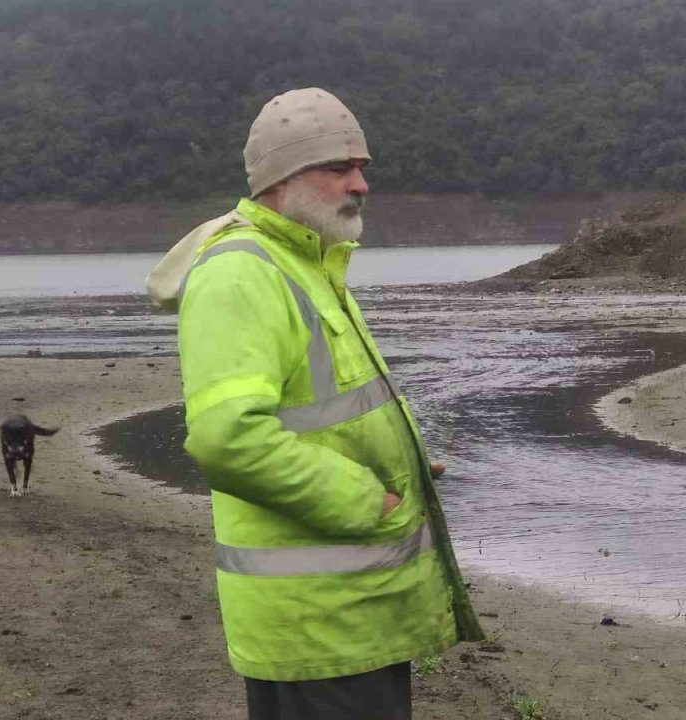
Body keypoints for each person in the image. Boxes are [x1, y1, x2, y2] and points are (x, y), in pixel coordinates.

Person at [146, 88, 483, 719]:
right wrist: (365, 500)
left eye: (362, 168)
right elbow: (228, 438)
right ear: (283, 177)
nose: (360, 185)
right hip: (318, 618)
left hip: (352, 607)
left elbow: (327, 411)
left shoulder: (307, 262)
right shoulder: (242, 274)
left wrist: (405, 462)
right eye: (339, 169)